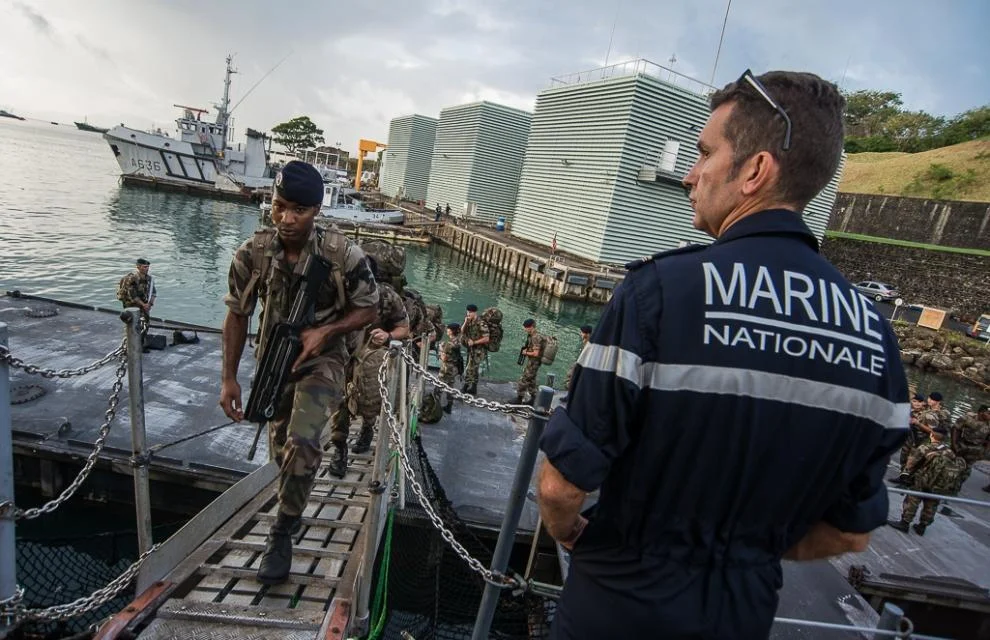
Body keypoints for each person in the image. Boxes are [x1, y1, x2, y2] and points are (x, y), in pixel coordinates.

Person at [536, 70, 908, 639]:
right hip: (742, 615)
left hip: (615, 607)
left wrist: (569, 534)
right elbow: (850, 533)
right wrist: (744, 554)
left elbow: (560, 487)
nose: (691, 173)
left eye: (706, 153)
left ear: (755, 171)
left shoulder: (658, 293)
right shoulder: (876, 338)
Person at [220, 160, 379, 585]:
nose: (287, 219)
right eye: (279, 206)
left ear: (316, 211)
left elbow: (369, 308)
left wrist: (326, 331)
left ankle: (282, 529)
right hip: (275, 359)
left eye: (299, 210)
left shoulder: (342, 254)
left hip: (324, 359)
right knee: (282, 448)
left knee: (303, 438)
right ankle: (292, 500)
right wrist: (228, 378)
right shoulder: (252, 253)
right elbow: (237, 314)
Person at [329, 257, 409, 475]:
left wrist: (388, 335)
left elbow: (404, 329)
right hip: (342, 355)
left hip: (371, 358)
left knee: (369, 399)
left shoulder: (387, 296)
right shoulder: (337, 291)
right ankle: (340, 449)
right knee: (339, 402)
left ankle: (367, 427)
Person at [888, 426, 962, 535]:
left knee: (913, 499)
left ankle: (905, 523)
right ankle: (922, 526)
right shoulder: (950, 452)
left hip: (922, 480)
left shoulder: (925, 448)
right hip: (939, 484)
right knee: (931, 503)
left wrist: (905, 476)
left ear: (932, 435)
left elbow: (911, 464)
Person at [951, 404, 990, 487]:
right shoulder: (968, 418)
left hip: (976, 449)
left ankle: (958, 486)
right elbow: (955, 429)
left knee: (967, 470)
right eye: (988, 413)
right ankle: (949, 483)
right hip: (963, 445)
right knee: (954, 466)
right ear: (981, 413)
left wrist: (984, 453)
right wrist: (954, 445)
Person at [118, 258, 157, 338]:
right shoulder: (132, 279)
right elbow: (133, 295)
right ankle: (130, 342)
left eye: (148, 267)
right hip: (132, 305)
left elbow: (153, 292)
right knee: (133, 324)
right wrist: (144, 305)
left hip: (144, 305)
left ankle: (142, 341)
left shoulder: (149, 279)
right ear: (138, 267)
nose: (147, 269)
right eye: (144, 267)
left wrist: (149, 304)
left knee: (146, 323)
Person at [515, 319, 547, 404]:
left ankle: (519, 399)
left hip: (534, 362)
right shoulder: (536, 335)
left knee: (524, 380)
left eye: (526, 327)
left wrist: (526, 352)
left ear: (531, 327)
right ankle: (533, 399)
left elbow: (536, 353)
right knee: (531, 380)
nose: (525, 329)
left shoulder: (535, 337)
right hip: (534, 362)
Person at [461, 304, 489, 395]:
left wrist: (474, 342)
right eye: (467, 312)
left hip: (479, 351)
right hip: (472, 349)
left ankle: (465, 387)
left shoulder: (481, 323)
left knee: (470, 369)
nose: (468, 314)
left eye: (470, 312)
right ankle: (474, 388)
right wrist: (465, 322)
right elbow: (462, 331)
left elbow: (486, 338)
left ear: (475, 312)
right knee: (474, 369)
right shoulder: (469, 321)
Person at [899, 393, 929, 469]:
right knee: (903, 459)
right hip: (908, 441)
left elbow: (932, 431)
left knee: (912, 464)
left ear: (924, 403)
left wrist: (918, 423)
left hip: (919, 443)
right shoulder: (910, 411)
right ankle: (903, 472)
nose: (917, 404)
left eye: (919, 402)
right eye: (914, 401)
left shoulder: (927, 414)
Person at [438, 323, 463, 413]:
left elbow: (444, 358)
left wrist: (441, 349)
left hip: (446, 368)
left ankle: (435, 405)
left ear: (452, 331)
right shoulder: (458, 341)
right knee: (450, 387)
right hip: (454, 368)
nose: (447, 330)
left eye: (448, 329)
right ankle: (449, 406)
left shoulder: (448, 344)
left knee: (438, 385)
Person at [563, 325, 593, 395]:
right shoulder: (587, 341)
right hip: (580, 363)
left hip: (582, 365)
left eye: (582, 332)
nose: (580, 334)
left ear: (587, 334)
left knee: (571, 379)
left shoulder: (589, 343)